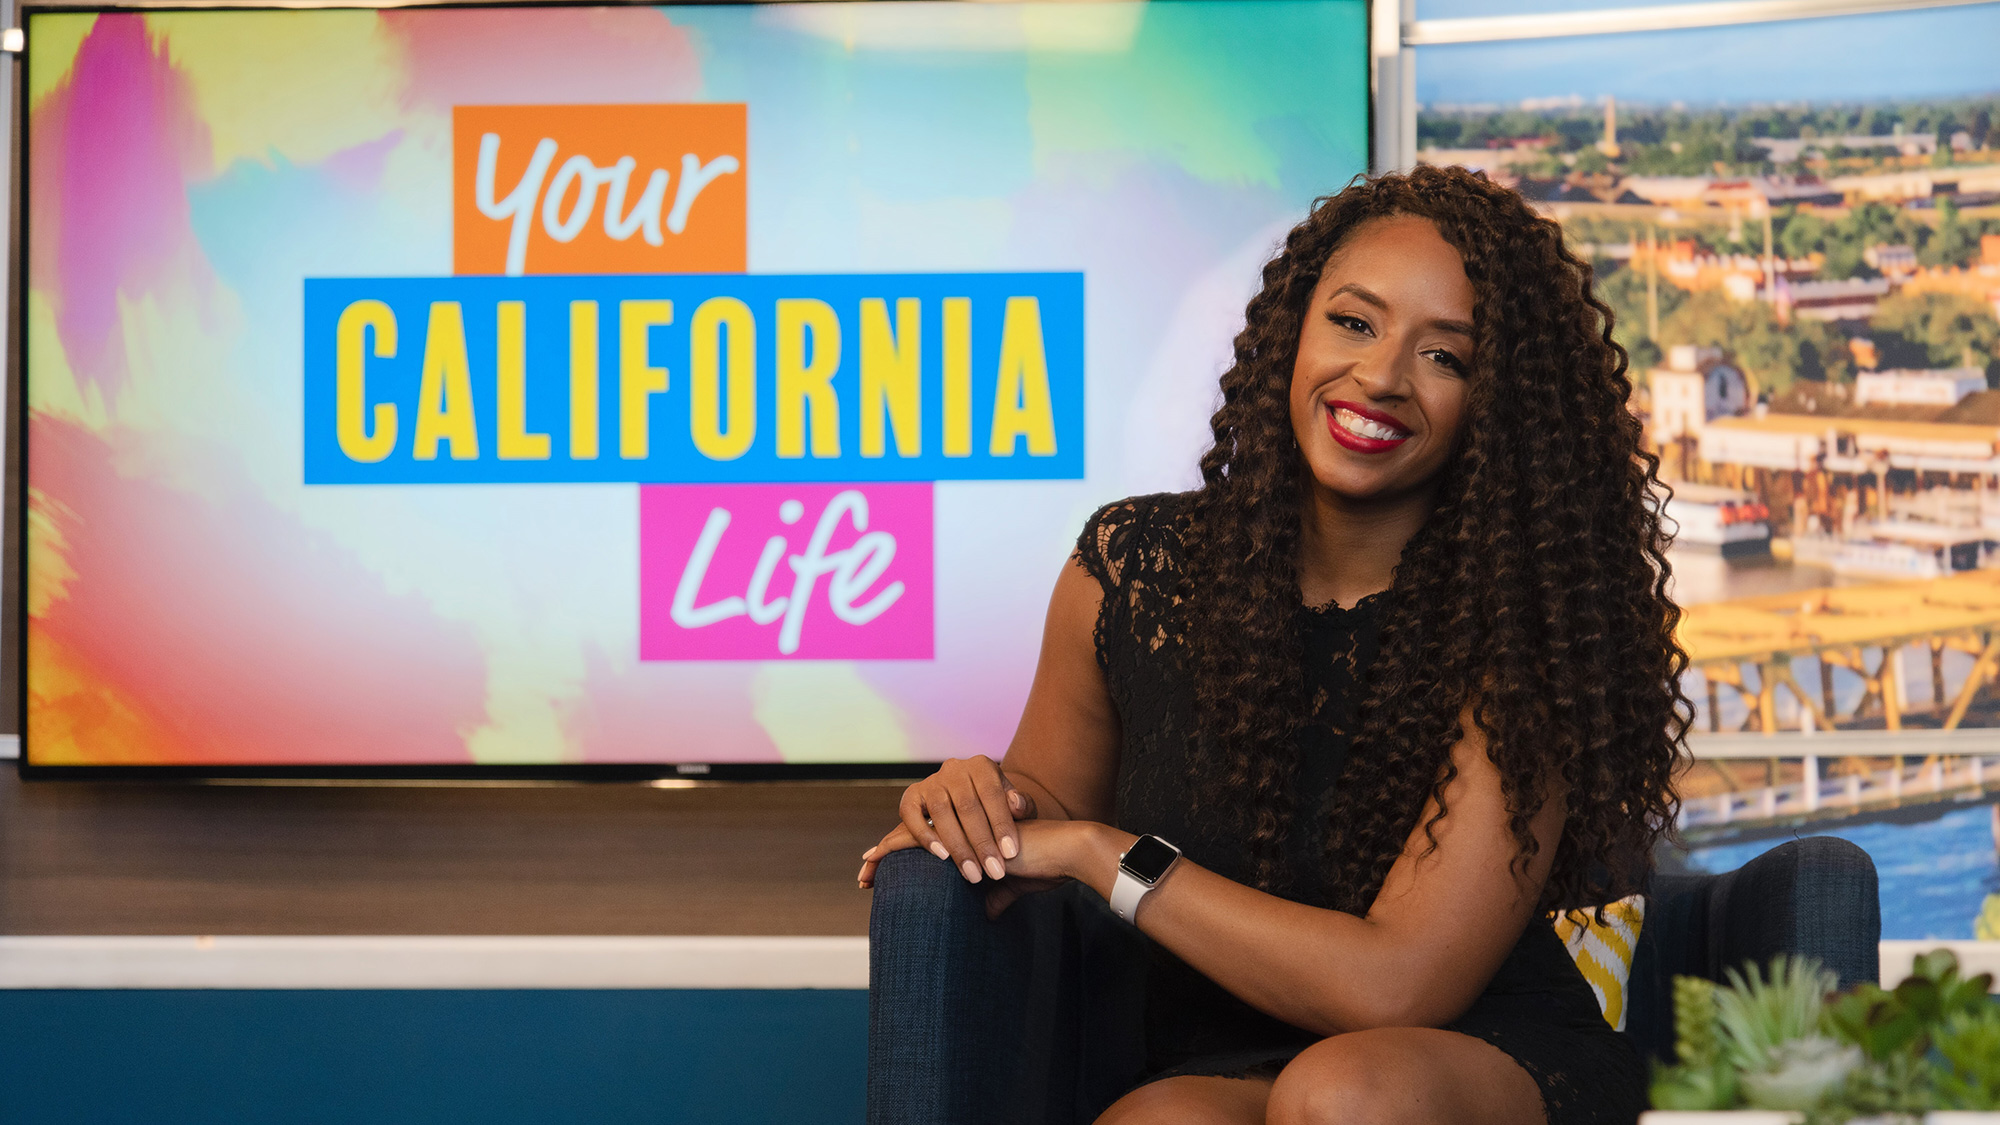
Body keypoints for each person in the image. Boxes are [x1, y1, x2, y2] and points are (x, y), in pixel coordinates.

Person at [858, 164, 1687, 1125]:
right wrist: (970, 796)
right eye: (1354, 321)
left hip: (1472, 1062)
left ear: (1499, 409)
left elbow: (1396, 989)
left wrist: (1103, 854)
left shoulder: (1522, 636)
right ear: (1293, 328)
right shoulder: (1131, 570)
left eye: (1445, 357)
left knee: (1343, 1097)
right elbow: (1044, 802)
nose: (1379, 375)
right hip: (1221, 1053)